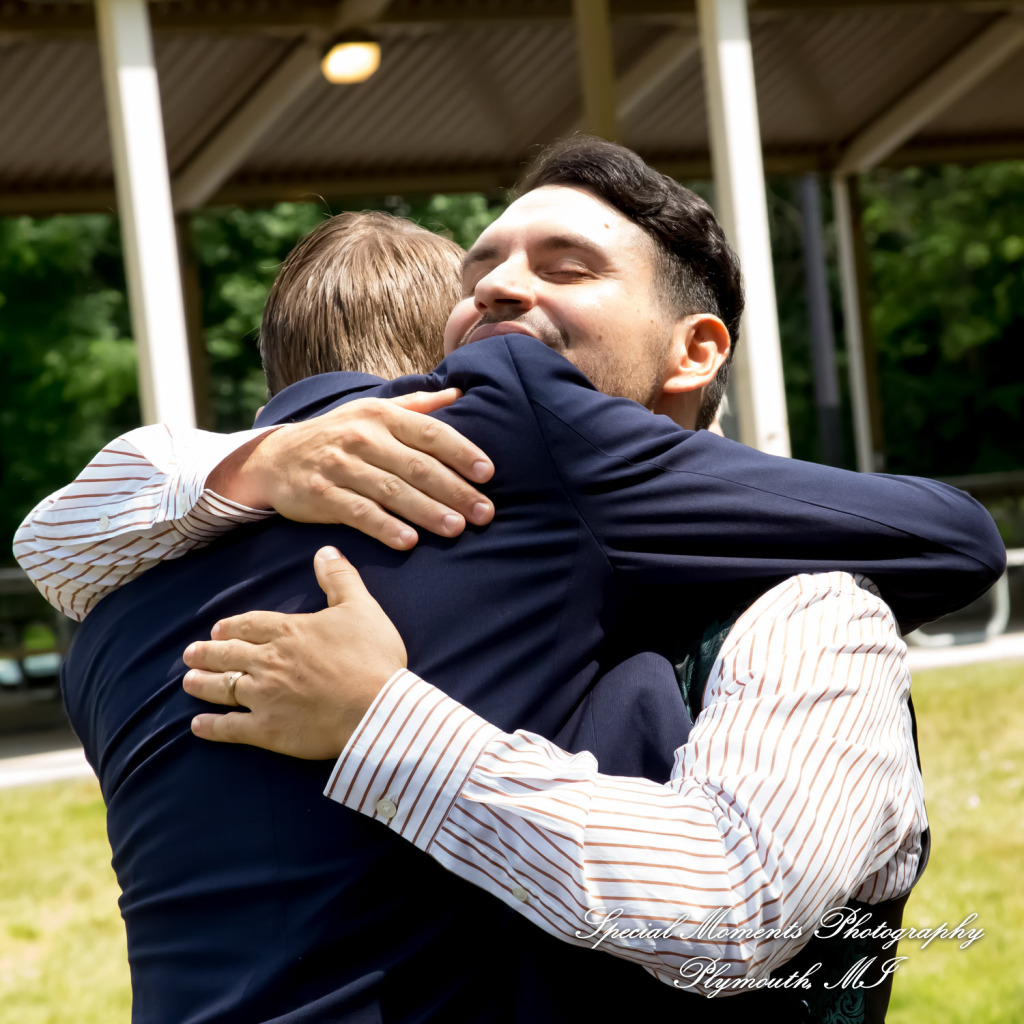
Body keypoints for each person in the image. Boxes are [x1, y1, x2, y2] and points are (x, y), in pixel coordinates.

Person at [14, 137, 1004, 1023]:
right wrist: (258, 464)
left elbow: (732, 901)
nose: (498, 290)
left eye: (567, 267)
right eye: (478, 273)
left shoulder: (108, 625)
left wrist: (378, 717)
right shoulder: (504, 471)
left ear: (695, 349)